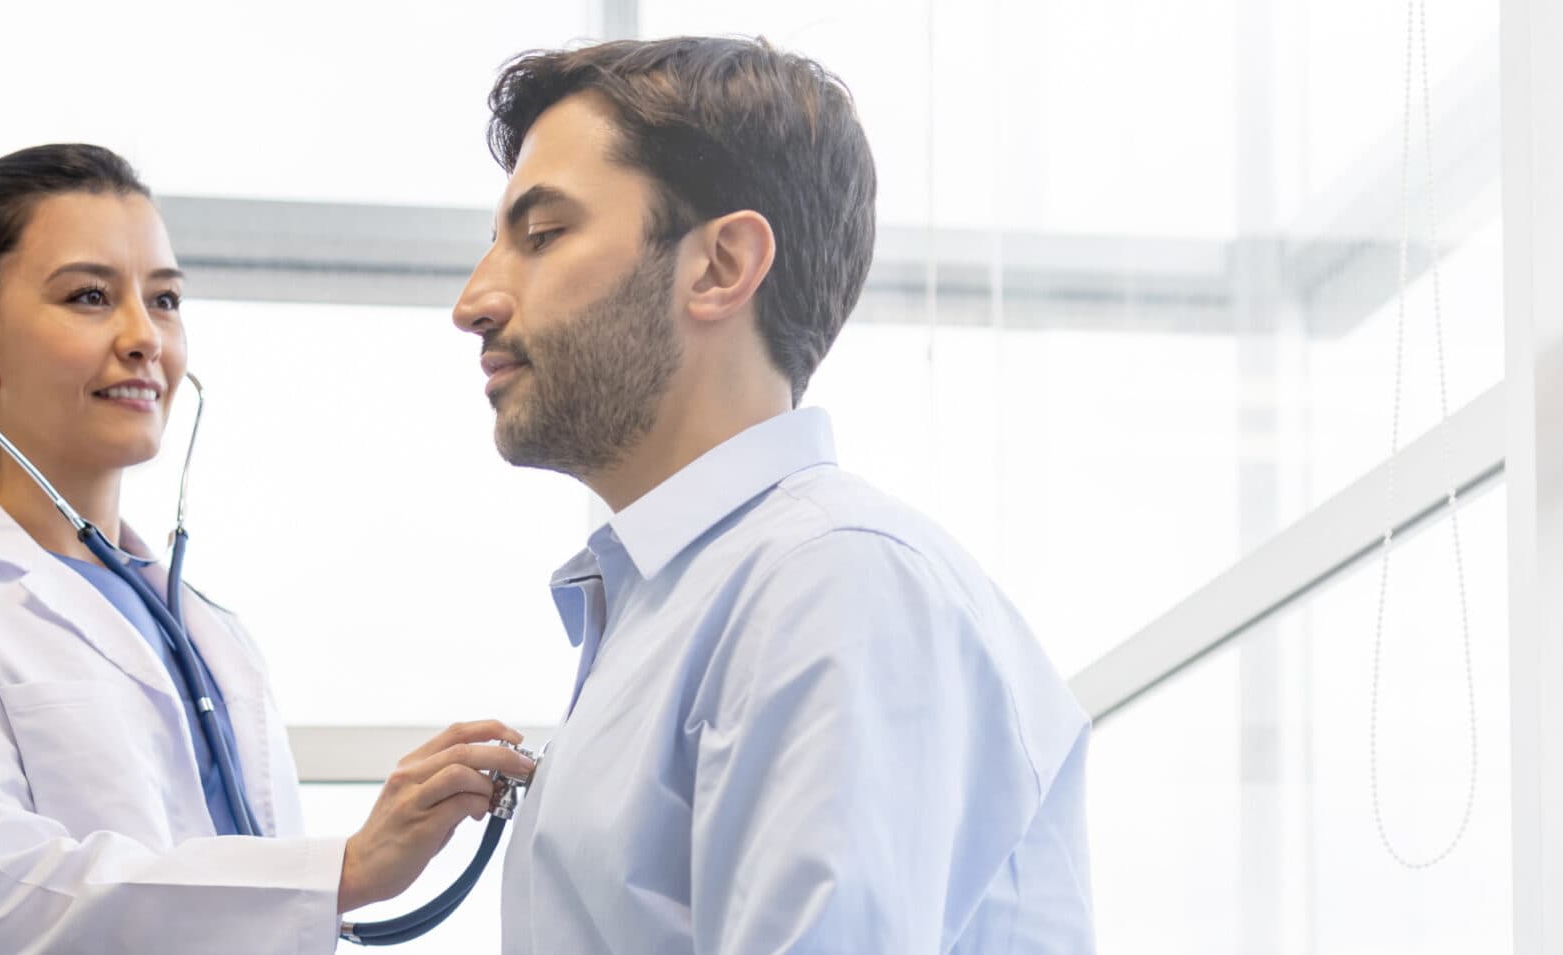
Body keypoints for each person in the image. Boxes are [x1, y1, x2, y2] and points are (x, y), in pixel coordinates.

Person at [0, 143, 533, 952]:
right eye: (89, 296)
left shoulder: (213, 634)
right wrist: (350, 866)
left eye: (166, 298)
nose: (144, 336)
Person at [452, 37, 1096, 952]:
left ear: (720, 266)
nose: (475, 299)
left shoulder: (831, 581)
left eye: (543, 235)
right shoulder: (702, 601)